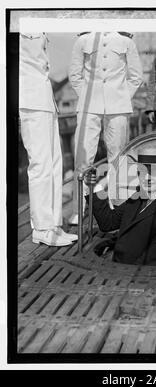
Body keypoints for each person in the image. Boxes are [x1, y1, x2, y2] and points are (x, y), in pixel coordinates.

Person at [68, 31, 143, 225]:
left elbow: (136, 76)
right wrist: (86, 96)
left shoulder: (125, 40)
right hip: (88, 107)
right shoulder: (83, 40)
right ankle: (80, 207)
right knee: (82, 157)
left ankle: (115, 203)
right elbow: (75, 74)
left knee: (117, 157)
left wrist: (121, 97)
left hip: (118, 106)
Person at [19, 32, 77, 246]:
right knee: (41, 164)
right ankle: (42, 229)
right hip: (29, 98)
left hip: (45, 99)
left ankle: (53, 224)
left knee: (54, 164)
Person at [86, 148, 156, 266]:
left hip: (142, 277)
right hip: (119, 266)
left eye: (153, 172)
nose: (147, 177)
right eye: (142, 171)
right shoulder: (138, 197)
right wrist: (94, 187)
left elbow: (152, 260)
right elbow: (108, 222)